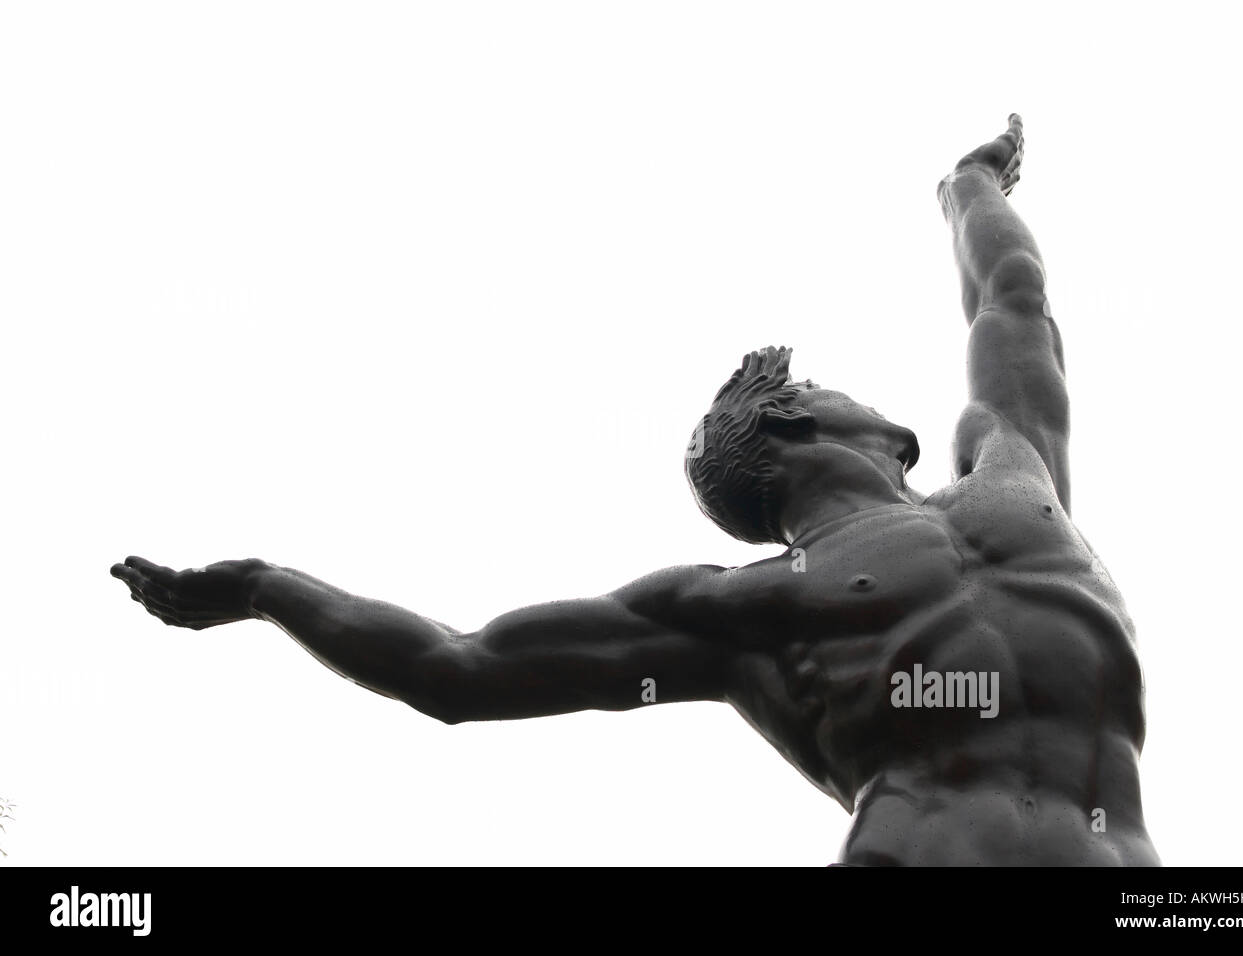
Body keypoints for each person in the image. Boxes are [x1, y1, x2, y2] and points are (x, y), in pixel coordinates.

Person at [111, 115, 1159, 865]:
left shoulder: (1013, 467)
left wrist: (967, 187)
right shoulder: (737, 609)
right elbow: (457, 664)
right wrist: (262, 586)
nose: (874, 399)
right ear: (793, 418)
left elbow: (1012, 300)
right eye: (826, 382)